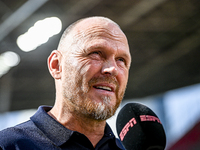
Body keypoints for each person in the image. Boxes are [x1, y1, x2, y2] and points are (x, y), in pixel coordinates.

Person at [0, 16, 131, 150]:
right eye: (96, 53)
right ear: (56, 65)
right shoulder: (9, 145)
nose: (113, 69)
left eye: (121, 60)